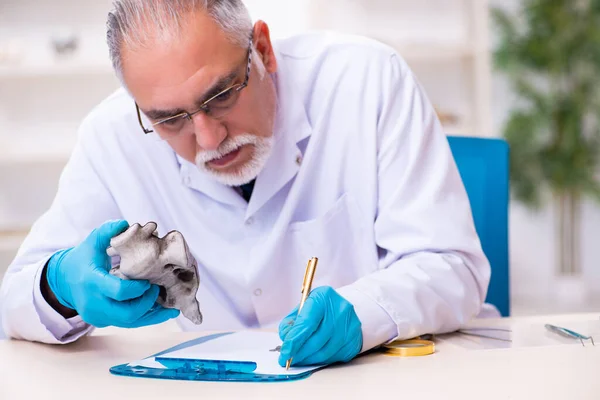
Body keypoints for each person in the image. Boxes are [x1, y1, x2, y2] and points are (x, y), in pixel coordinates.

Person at [0, 0, 492, 368]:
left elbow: (454, 266)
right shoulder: (111, 137)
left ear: (262, 49)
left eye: (221, 95)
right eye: (171, 119)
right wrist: (60, 283)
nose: (209, 138)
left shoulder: (366, 81)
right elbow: (15, 302)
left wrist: (365, 312)